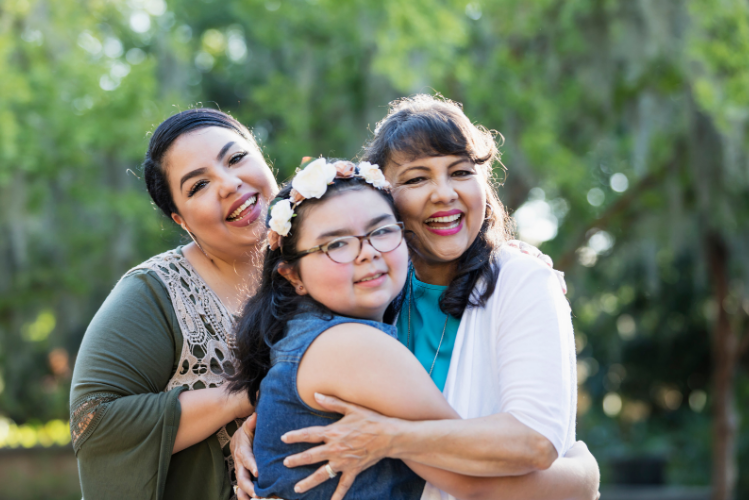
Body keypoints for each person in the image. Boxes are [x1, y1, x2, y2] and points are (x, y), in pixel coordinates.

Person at [231, 95, 599, 500]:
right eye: (417, 178)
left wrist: (391, 438)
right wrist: (263, 428)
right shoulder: (372, 289)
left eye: (460, 172)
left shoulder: (519, 279)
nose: (443, 193)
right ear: (387, 198)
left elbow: (534, 443)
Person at [69, 109, 278, 499]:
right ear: (180, 219)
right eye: (198, 185)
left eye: (236, 159)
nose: (229, 184)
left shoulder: (332, 252)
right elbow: (92, 422)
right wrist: (244, 396)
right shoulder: (155, 293)